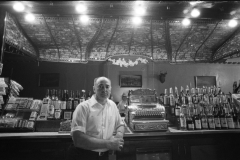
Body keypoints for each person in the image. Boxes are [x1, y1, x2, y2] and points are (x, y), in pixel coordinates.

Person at [66, 77, 125, 160]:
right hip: (85, 155)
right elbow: (78, 139)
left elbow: (120, 124)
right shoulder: (83, 107)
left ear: (110, 89)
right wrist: (108, 144)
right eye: (100, 86)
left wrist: (119, 135)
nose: (104, 90)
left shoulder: (113, 105)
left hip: (105, 156)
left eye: (107, 87)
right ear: (94, 89)